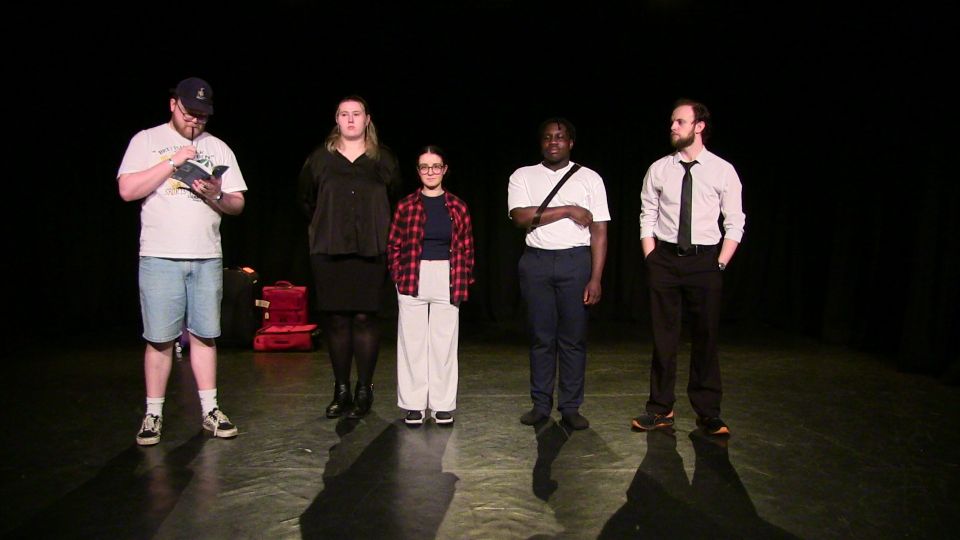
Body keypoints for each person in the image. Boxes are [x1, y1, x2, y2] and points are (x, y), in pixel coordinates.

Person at [117, 77, 247, 446]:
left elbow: (237, 204)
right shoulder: (146, 140)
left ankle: (210, 409)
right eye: (190, 113)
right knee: (159, 339)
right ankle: (153, 414)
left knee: (205, 335)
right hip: (160, 255)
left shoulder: (218, 147)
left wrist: (216, 194)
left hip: (206, 256)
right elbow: (127, 190)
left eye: (203, 116)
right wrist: (172, 162)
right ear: (173, 104)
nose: (196, 122)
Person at [632, 99, 745, 436]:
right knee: (664, 338)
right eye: (672, 121)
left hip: (705, 260)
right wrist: (651, 256)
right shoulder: (659, 169)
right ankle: (660, 408)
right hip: (665, 260)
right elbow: (647, 215)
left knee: (705, 337)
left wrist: (720, 261)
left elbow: (735, 221)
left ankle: (708, 412)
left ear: (699, 126)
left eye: (680, 121)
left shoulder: (722, 170)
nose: (672, 127)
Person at [298, 96, 400, 419]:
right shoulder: (319, 160)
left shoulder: (383, 160)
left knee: (365, 318)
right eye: (345, 114)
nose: (351, 120)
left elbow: (395, 199)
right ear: (337, 119)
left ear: (367, 118)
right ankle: (341, 388)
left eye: (357, 114)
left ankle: (364, 388)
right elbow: (305, 201)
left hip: (371, 250)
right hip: (329, 250)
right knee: (337, 320)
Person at [507, 118, 610, 430]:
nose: (554, 142)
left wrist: (595, 277)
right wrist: (567, 209)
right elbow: (520, 217)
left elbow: (600, 231)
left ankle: (570, 407)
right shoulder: (522, 175)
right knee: (541, 337)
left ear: (571, 142)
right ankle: (540, 404)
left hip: (575, 262)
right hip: (536, 262)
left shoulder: (590, 178)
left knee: (573, 339)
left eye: (560, 137)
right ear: (541, 143)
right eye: (548, 137)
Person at [388, 146, 475, 425]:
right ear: (418, 171)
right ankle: (413, 405)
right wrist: (398, 275)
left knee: (444, 344)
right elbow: (394, 244)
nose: (430, 172)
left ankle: (442, 405)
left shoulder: (458, 206)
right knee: (412, 343)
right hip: (413, 274)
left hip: (448, 276)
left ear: (445, 169)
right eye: (424, 167)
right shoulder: (406, 205)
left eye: (435, 166)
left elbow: (467, 247)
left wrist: (463, 278)